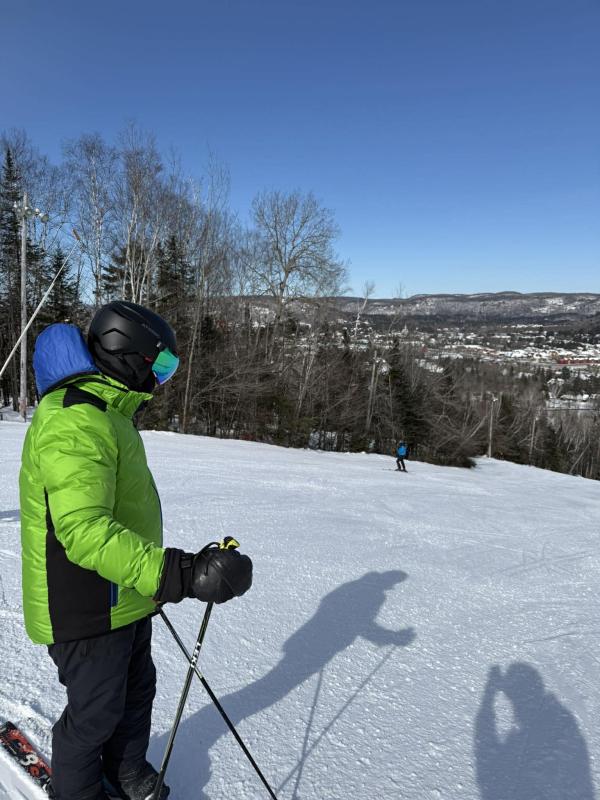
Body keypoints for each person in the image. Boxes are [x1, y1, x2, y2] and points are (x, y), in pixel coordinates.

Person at [19, 301, 252, 800]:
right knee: (94, 714)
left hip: (123, 590)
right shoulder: (76, 420)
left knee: (135, 693)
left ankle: (125, 773)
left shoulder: (109, 413)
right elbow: (82, 529)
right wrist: (179, 572)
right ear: (130, 355)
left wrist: (180, 569)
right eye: (161, 366)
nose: (163, 380)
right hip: (81, 601)